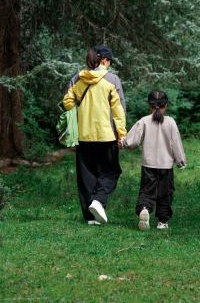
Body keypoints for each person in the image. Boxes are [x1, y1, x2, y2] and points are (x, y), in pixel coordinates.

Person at [63, 44, 126, 225]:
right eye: (110, 61)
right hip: (107, 136)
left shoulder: (77, 78)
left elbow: (67, 102)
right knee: (112, 171)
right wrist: (121, 134)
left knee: (86, 176)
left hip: (83, 136)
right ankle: (98, 201)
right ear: (104, 60)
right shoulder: (112, 80)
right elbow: (119, 110)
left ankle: (91, 218)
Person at [119, 91, 186, 230]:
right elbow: (176, 143)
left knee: (147, 190)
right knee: (165, 193)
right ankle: (162, 221)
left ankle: (144, 208)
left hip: (148, 165)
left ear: (149, 105)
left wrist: (124, 143)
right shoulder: (171, 122)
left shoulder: (143, 121)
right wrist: (180, 161)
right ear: (166, 105)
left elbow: (133, 141)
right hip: (166, 166)